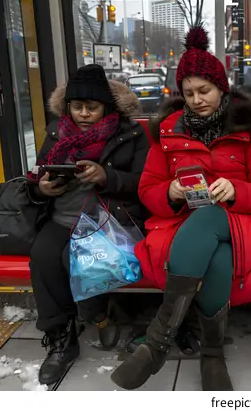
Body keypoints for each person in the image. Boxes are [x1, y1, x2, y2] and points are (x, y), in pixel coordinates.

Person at [111, 26, 251, 391]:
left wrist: (236, 189)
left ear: (221, 88)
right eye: (188, 92)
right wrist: (172, 192)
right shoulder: (168, 133)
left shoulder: (248, 130)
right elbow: (148, 189)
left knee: (212, 218)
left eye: (204, 90)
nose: (196, 99)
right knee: (218, 255)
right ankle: (212, 354)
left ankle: (158, 340)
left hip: (243, 222)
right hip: (184, 227)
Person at [27, 64, 149, 385]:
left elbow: (145, 184)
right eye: (76, 107)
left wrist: (107, 176)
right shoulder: (57, 133)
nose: (83, 114)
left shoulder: (130, 135)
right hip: (62, 217)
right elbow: (36, 176)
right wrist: (42, 188)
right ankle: (61, 339)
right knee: (43, 255)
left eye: (91, 107)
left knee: (77, 256)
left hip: (107, 220)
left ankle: (97, 314)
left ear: (106, 107)